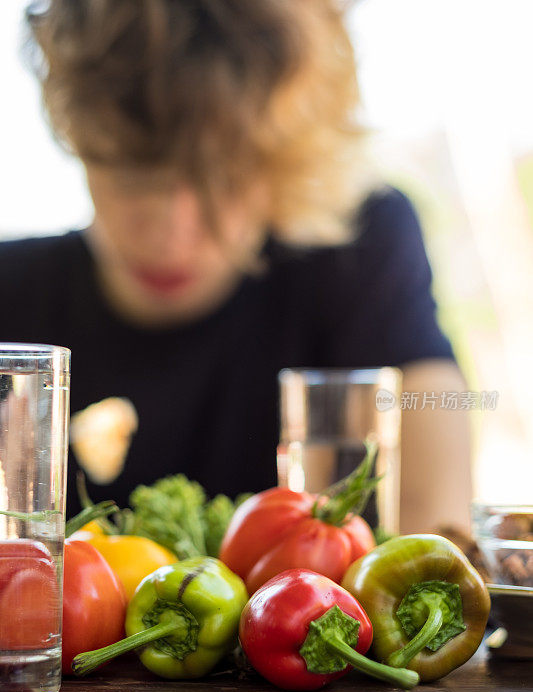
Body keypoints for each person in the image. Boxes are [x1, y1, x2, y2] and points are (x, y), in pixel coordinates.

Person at [0, 0, 472, 534]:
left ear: (285, 158)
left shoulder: (362, 246)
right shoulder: (10, 292)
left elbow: (438, 533)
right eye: (133, 176)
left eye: (223, 179)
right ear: (81, 140)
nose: (171, 233)